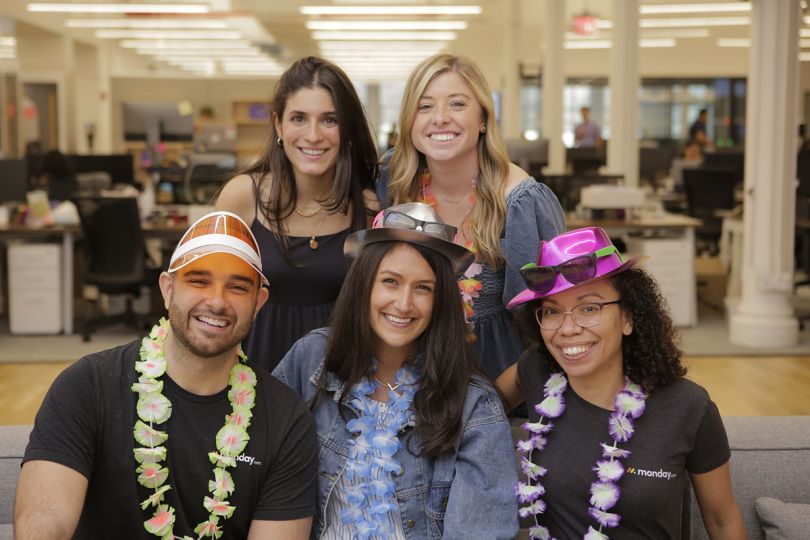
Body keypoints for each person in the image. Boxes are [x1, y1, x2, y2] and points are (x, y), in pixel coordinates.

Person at [15, 211, 318, 539]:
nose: (217, 301)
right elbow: (46, 523)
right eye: (199, 280)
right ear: (167, 288)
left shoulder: (287, 419)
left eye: (238, 287)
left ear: (258, 302)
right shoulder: (87, 386)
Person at [273, 202, 519, 539]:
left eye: (423, 288)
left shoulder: (474, 404)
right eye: (390, 281)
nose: (404, 304)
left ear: (441, 300)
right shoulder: (312, 358)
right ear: (364, 284)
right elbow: (260, 473)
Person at [496, 227, 746, 539]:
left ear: (628, 317)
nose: (568, 328)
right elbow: (480, 406)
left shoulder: (688, 407)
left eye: (589, 308)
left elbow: (723, 522)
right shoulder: (537, 370)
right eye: (552, 311)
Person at [377, 53, 565, 380]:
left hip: (497, 382)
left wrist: (498, 402)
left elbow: (546, 323)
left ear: (482, 119)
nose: (440, 118)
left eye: (457, 104)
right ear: (410, 121)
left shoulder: (520, 202)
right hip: (403, 381)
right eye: (425, 106)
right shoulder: (391, 182)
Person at [216, 56, 380, 372]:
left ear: (347, 128)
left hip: (339, 387)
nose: (314, 135)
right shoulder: (242, 196)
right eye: (299, 118)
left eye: (330, 120)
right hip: (251, 384)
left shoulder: (370, 206)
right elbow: (206, 294)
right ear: (279, 124)